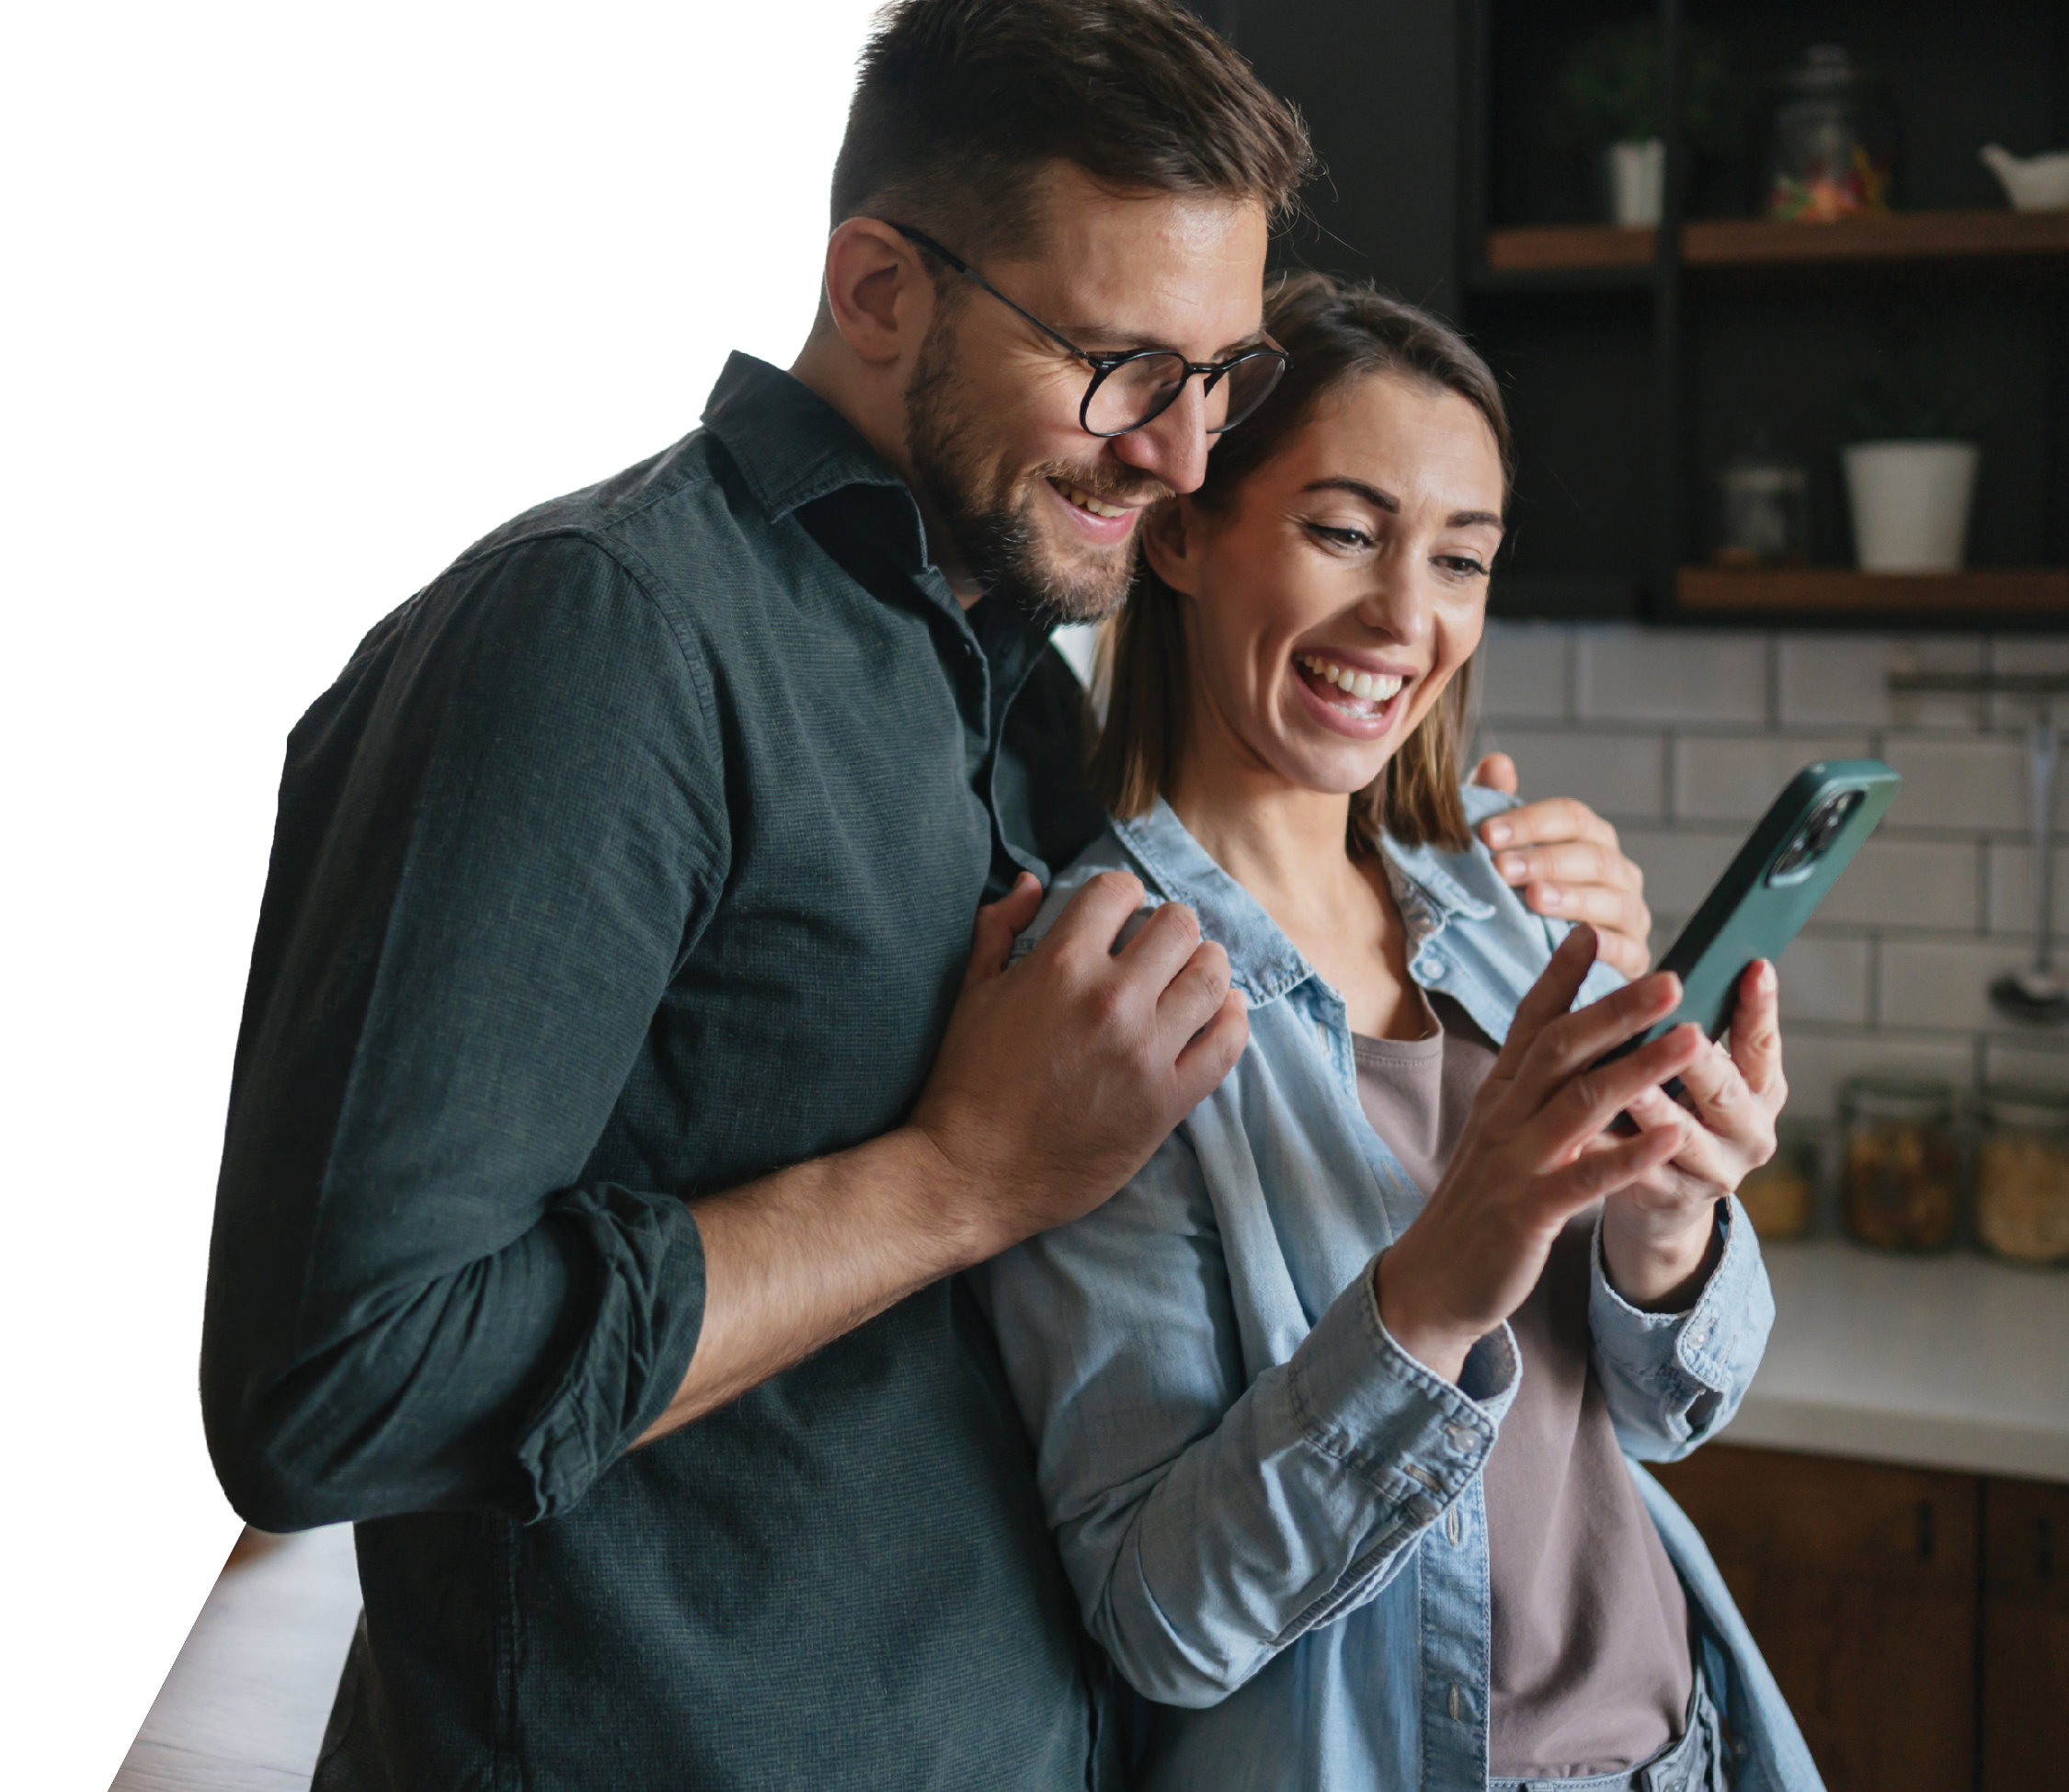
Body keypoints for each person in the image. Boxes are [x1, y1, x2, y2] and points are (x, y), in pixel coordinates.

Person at [200, 6, 1653, 1786]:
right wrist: (954, 1179)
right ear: (879, 289)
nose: (1182, 455)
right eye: (1122, 366)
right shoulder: (600, 633)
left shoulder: (1015, 685)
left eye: (1218, 377)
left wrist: (1469, 872)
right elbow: (337, 1385)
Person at [974, 274, 1821, 1792]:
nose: (1404, 617)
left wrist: (1670, 1218)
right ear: (1179, 534)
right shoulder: (1104, 993)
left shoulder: (1501, 898)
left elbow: (1658, 1412)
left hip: (1682, 1745)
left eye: (1459, 559)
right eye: (1343, 532)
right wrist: (1431, 1291)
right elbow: (1162, 1618)